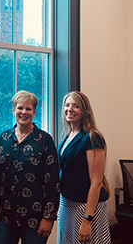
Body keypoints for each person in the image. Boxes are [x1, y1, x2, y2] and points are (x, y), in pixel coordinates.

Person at [0, 90, 60, 244]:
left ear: (34, 112)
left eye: (28, 109)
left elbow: (52, 182)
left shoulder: (44, 141)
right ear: (13, 110)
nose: (24, 112)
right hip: (5, 215)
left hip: (36, 217)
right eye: (20, 108)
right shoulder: (3, 139)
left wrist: (49, 217)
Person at [57, 91, 111, 244]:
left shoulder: (92, 138)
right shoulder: (68, 136)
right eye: (67, 105)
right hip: (67, 203)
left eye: (76, 106)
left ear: (85, 111)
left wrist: (87, 220)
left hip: (86, 207)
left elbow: (96, 183)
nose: (70, 109)